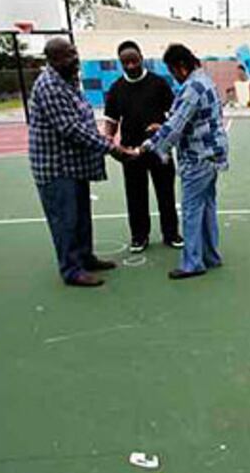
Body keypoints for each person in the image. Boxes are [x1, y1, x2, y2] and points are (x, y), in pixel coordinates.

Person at [28, 37, 136, 287]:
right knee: (65, 220)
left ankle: (85, 257)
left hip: (74, 165)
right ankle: (71, 269)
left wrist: (107, 143)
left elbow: (83, 120)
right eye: (68, 55)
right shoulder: (49, 86)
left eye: (74, 53)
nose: (75, 59)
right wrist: (112, 147)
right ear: (53, 60)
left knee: (80, 216)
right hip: (55, 168)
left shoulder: (69, 81)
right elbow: (72, 128)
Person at [135, 44, 229, 280]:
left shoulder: (192, 88)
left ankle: (192, 263)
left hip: (198, 157)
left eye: (173, 71)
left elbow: (175, 126)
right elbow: (188, 120)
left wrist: (145, 147)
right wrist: (165, 127)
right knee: (207, 206)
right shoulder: (205, 81)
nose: (173, 77)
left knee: (191, 210)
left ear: (182, 67)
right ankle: (211, 256)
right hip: (212, 155)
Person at [104, 40, 183, 253]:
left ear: (142, 58)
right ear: (120, 63)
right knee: (135, 195)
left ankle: (171, 233)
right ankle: (139, 236)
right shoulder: (116, 89)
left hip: (159, 149)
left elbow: (174, 115)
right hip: (130, 152)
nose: (130, 65)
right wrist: (109, 140)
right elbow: (111, 120)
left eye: (134, 60)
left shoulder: (158, 83)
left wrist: (163, 128)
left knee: (166, 193)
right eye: (125, 62)